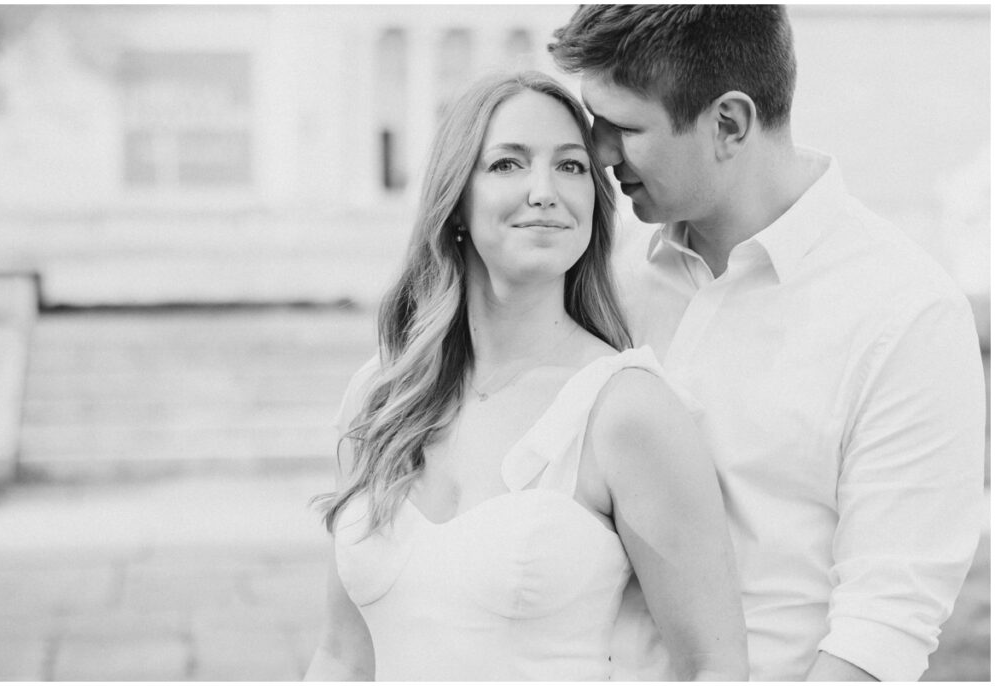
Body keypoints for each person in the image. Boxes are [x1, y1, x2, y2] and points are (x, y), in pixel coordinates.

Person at [549, 4, 987, 682]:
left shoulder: (906, 314)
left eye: (625, 128)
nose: (600, 153)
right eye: (595, 121)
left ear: (728, 123)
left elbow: (881, 629)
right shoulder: (607, 279)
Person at [303, 71, 748, 681]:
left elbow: (714, 666)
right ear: (455, 201)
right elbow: (341, 657)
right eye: (508, 164)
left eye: (570, 167)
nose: (544, 191)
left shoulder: (625, 409)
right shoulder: (381, 394)